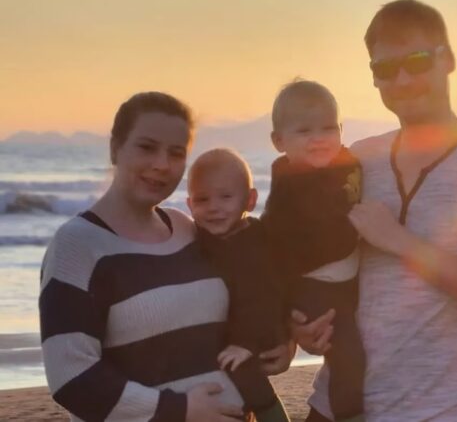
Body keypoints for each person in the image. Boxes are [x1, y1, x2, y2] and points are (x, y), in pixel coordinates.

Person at [294, 0, 457, 421]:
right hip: (336, 406)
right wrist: (298, 325)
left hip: (443, 411)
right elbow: (310, 257)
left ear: (449, 60)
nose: (403, 79)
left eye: (418, 61)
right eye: (385, 68)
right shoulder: (355, 160)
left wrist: (398, 240)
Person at [39, 92, 292, 422]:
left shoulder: (190, 229)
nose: (162, 164)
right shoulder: (77, 245)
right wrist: (180, 409)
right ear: (115, 148)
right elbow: (71, 378)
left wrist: (282, 340)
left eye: (176, 153)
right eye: (147, 147)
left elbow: (254, 284)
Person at [261, 80, 365, 422]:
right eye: (304, 130)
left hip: (343, 281)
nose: (318, 138)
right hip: (313, 288)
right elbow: (282, 247)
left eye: (328, 128)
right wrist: (359, 229)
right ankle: (349, 415)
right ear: (279, 141)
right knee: (347, 352)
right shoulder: (291, 186)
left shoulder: (343, 165)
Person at [186, 148, 291, 422]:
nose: (213, 207)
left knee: (247, 377)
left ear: (250, 200)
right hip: (226, 335)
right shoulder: (198, 240)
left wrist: (248, 343)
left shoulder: (258, 243)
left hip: (259, 331)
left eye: (225, 197)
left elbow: (267, 298)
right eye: (202, 199)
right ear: (189, 205)